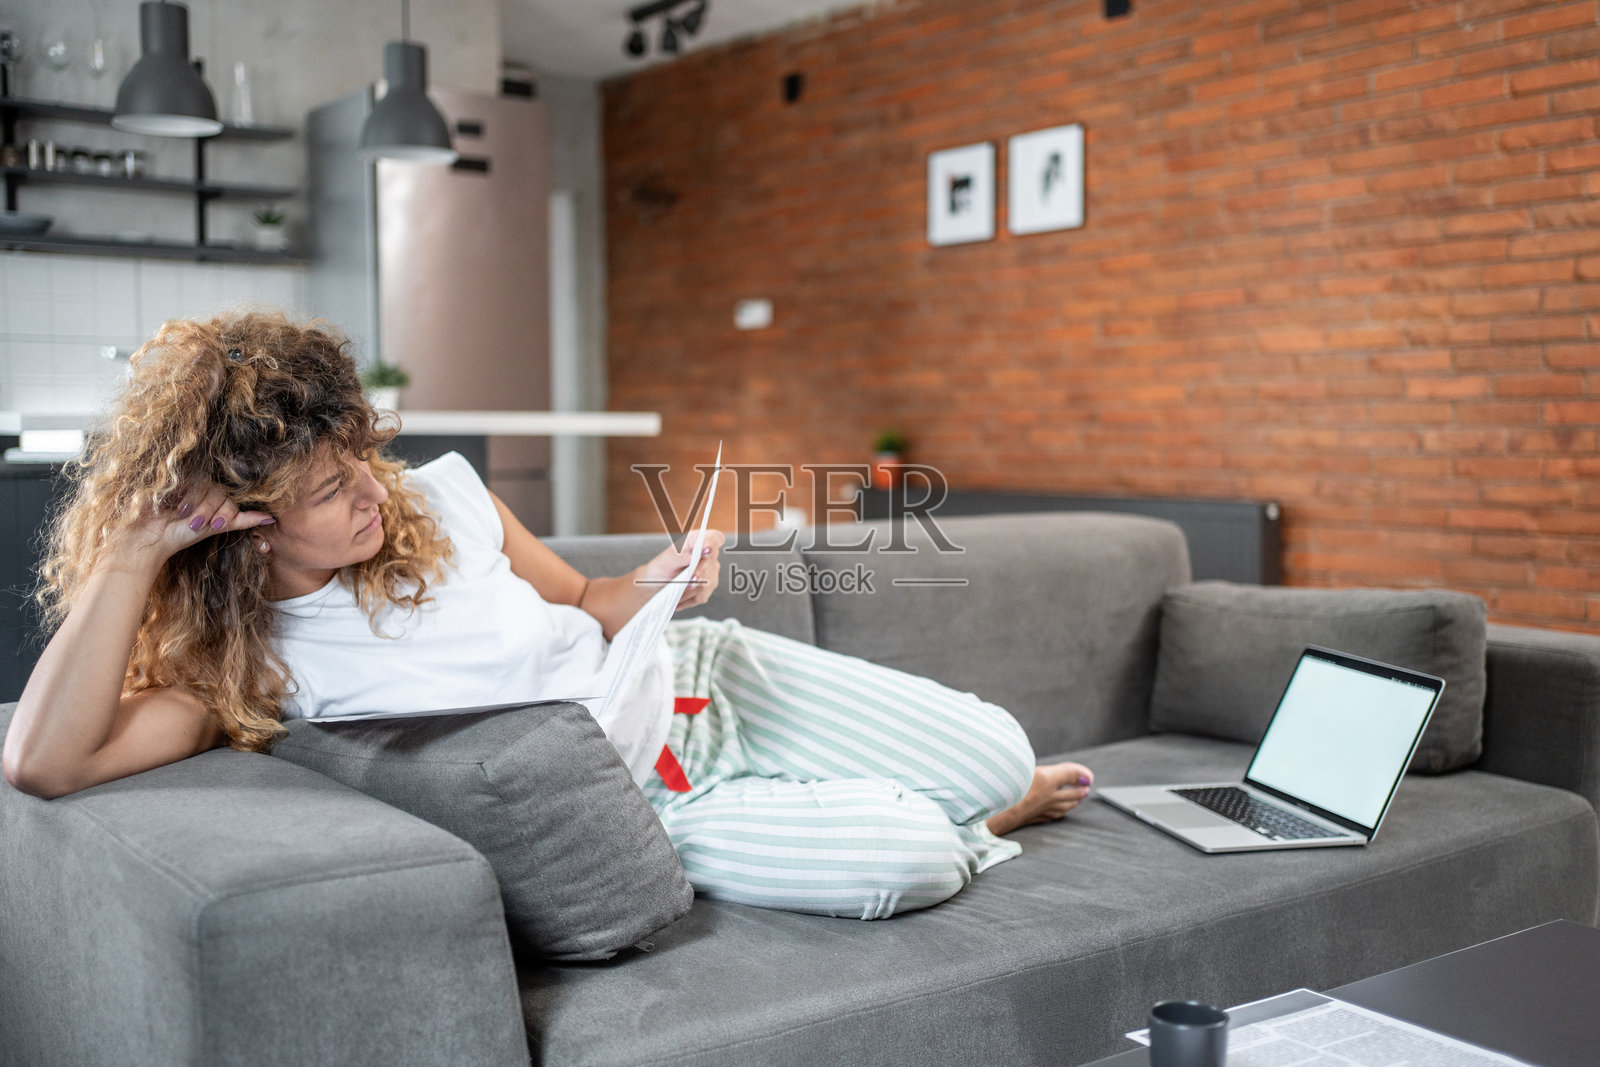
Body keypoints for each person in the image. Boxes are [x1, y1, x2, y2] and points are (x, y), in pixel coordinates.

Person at [1, 310, 1093, 920]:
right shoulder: (246, 670)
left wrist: (660, 579)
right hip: (641, 801)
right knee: (900, 855)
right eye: (333, 491)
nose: (376, 493)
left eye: (362, 461)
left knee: (999, 747)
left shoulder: (444, 498)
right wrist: (133, 556)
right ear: (245, 526)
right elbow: (41, 762)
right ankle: (966, 830)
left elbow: (584, 601)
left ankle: (974, 798)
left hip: (705, 678)